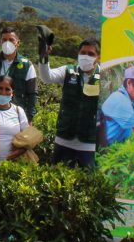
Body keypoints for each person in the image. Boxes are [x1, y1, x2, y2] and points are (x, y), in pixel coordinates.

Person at [38, 38, 103, 167]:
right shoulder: (68, 71)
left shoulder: (105, 77)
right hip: (64, 138)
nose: (86, 56)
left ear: (98, 57)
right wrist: (44, 57)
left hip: (89, 142)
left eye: (90, 54)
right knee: (58, 178)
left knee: (87, 182)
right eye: (83, 53)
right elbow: (46, 77)